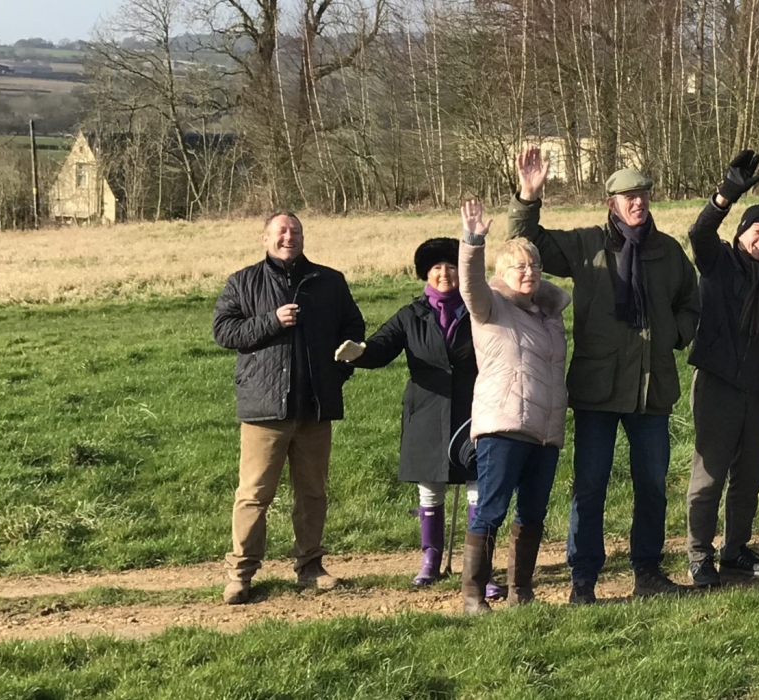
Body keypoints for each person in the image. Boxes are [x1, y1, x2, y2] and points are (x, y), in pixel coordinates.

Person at [505, 147, 701, 603]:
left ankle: (647, 571)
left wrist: (673, 333)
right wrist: (528, 196)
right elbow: (526, 242)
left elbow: (691, 303)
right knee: (590, 486)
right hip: (598, 388)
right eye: (629, 197)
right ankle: (583, 579)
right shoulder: (587, 245)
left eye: (643, 194)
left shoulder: (668, 252)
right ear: (612, 203)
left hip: (651, 388)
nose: (638, 202)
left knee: (652, 485)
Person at [212, 212, 365, 605]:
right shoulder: (243, 281)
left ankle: (310, 567)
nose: (288, 237)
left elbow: (353, 330)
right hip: (264, 410)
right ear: (265, 238)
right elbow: (224, 331)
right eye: (281, 231)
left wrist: (337, 373)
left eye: (295, 231)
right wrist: (271, 321)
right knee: (253, 495)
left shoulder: (330, 281)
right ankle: (241, 574)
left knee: (312, 493)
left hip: (315, 408)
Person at [334, 238, 485, 589]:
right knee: (430, 488)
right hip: (426, 412)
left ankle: (480, 567)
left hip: (474, 410)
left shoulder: (480, 310)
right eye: (436, 268)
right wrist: (359, 353)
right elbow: (381, 347)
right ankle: (430, 558)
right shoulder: (410, 314)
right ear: (425, 274)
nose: (444, 274)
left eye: (451, 266)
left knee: (480, 487)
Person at [451, 201, 571, 613]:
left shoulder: (550, 315)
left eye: (534, 265)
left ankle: (522, 592)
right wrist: (473, 241)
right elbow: (470, 283)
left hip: (545, 430)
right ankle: (473, 595)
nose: (528, 272)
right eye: (519, 266)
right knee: (492, 509)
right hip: (503, 426)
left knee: (533, 513)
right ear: (502, 275)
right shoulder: (491, 307)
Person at [684, 151, 759, 588]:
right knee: (709, 476)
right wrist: (726, 194)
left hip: (757, 388)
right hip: (718, 381)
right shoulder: (718, 262)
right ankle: (698, 555)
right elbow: (699, 232)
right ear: (742, 233)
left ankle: (735, 549)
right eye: (758, 231)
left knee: (748, 477)